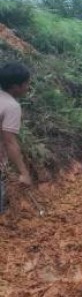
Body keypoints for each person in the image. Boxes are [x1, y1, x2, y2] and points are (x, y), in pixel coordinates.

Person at [0, 62, 32, 213]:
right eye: (25, 84)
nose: (27, 87)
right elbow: (10, 142)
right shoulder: (11, 106)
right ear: (15, 86)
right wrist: (23, 172)